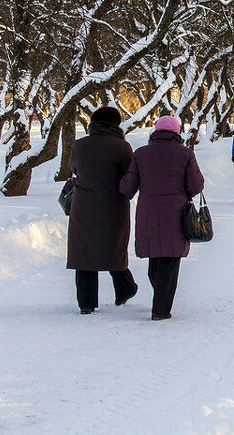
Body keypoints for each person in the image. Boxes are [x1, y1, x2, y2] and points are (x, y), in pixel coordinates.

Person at [119, 115, 205, 321]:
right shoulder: (185, 154)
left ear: (155, 132)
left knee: (156, 258)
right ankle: (161, 309)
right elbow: (195, 186)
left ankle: (160, 297)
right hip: (176, 213)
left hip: (148, 211)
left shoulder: (141, 154)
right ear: (177, 133)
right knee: (170, 260)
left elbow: (127, 186)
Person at [66, 106, 138, 314]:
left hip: (83, 205)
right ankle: (124, 288)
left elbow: (74, 168)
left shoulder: (79, 146)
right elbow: (129, 176)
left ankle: (86, 302)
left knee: (84, 251)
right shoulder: (121, 147)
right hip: (113, 205)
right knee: (113, 247)